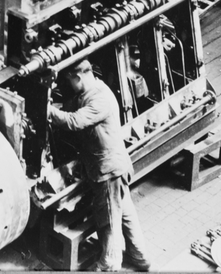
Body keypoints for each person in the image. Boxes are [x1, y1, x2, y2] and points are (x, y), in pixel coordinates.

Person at [48, 58, 150, 272]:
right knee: (125, 214)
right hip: (113, 168)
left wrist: (46, 110)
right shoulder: (90, 92)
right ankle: (140, 257)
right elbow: (72, 109)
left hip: (108, 171)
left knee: (109, 221)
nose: (69, 86)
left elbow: (74, 121)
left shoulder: (100, 98)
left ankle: (109, 265)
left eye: (70, 81)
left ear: (78, 77)